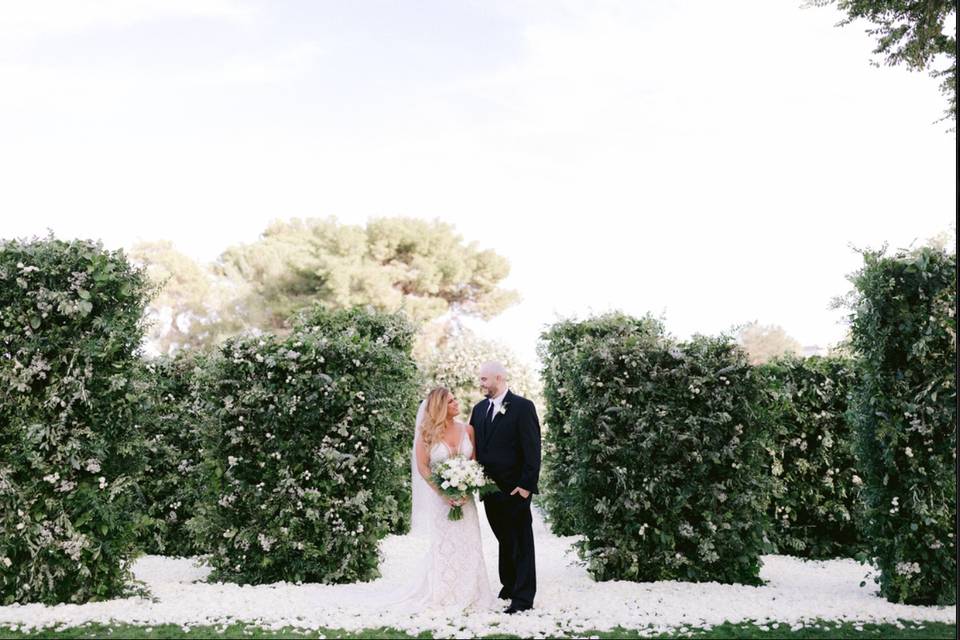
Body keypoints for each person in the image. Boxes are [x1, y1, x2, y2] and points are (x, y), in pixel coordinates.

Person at [470, 361, 541, 614]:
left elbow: (533, 450)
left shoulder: (523, 407)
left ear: (499, 378)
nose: (481, 384)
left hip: (515, 489)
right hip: (490, 490)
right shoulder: (478, 410)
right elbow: (476, 448)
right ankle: (509, 585)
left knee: (521, 543)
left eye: (484, 379)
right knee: (504, 539)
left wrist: (525, 486)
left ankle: (523, 598)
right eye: (480, 380)